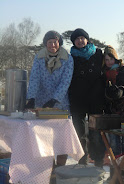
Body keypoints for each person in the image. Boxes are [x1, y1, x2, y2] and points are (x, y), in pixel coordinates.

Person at [25, 30, 74, 166]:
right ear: (45, 44)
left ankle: (60, 166)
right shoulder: (39, 57)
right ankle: (48, 166)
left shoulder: (68, 58)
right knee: (45, 136)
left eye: (55, 42)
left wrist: (54, 99)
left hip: (60, 103)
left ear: (59, 43)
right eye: (50, 42)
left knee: (61, 138)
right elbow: (35, 78)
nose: (53, 45)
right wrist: (31, 98)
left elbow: (66, 81)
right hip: (42, 103)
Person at [68, 28, 106, 167]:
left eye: (82, 38)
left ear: (87, 39)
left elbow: (110, 64)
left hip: (95, 98)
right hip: (77, 99)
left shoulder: (98, 54)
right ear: (73, 42)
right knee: (80, 132)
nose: (80, 40)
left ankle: (98, 159)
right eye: (76, 39)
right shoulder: (70, 57)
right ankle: (82, 158)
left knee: (95, 132)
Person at [103, 45, 124, 156]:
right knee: (114, 143)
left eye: (111, 59)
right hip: (111, 113)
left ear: (116, 58)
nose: (109, 62)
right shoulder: (103, 73)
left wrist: (120, 92)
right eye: (106, 60)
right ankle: (116, 169)